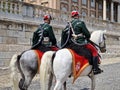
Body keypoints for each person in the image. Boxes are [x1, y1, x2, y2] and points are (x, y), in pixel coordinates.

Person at [61, 11, 103, 75]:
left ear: (72, 16)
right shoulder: (81, 23)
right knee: (94, 51)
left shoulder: (69, 24)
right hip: (80, 42)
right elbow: (88, 35)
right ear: (78, 16)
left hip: (72, 43)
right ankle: (95, 69)